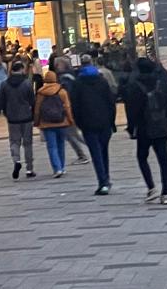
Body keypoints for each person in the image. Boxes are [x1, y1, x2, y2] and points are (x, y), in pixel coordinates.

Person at [123, 56, 167, 205]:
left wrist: (132, 128)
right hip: (160, 125)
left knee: (142, 157)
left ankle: (151, 187)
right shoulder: (160, 82)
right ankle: (166, 193)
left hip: (144, 127)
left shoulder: (135, 85)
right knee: (163, 160)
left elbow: (132, 110)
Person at [69, 52, 116, 195]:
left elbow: (75, 106)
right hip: (104, 122)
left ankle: (103, 182)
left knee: (96, 153)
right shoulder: (102, 81)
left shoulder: (77, 83)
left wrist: (79, 122)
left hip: (88, 123)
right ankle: (106, 178)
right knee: (104, 151)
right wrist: (111, 121)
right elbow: (111, 102)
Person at [34, 67, 75, 178]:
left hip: (47, 123)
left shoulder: (41, 92)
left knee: (52, 147)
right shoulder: (62, 91)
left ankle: (57, 169)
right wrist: (70, 120)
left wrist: (37, 121)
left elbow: (37, 109)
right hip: (62, 122)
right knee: (61, 145)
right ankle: (62, 167)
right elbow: (67, 107)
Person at [52, 55, 90, 164]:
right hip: (74, 108)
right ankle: (92, 147)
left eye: (57, 64)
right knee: (74, 134)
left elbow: (66, 95)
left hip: (69, 109)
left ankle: (82, 155)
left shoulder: (64, 79)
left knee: (69, 134)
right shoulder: (72, 75)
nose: (55, 66)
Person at [2, 59, 36, 180]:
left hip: (12, 118)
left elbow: (1, 102)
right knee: (28, 143)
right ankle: (29, 169)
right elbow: (32, 101)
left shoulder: (5, 84)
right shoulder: (27, 83)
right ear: (21, 69)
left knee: (14, 142)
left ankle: (16, 160)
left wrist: (6, 113)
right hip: (26, 117)